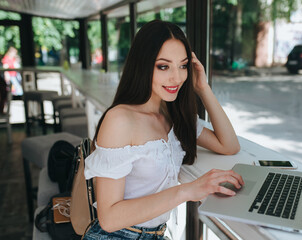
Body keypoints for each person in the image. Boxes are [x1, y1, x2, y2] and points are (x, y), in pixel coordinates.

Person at [83, 20, 243, 240]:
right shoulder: (120, 120)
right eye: (163, 66)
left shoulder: (173, 115)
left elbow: (229, 145)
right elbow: (109, 219)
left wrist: (203, 88)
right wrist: (187, 190)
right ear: (143, 65)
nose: (176, 78)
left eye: (183, 65)